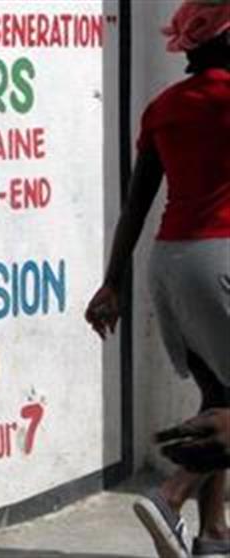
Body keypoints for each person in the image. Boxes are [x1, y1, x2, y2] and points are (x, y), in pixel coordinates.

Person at [85, 2, 230, 557]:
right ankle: (171, 496)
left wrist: (112, 283)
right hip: (219, 260)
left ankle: (213, 534)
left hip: (169, 265)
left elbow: (136, 205)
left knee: (218, 396)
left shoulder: (163, 108)